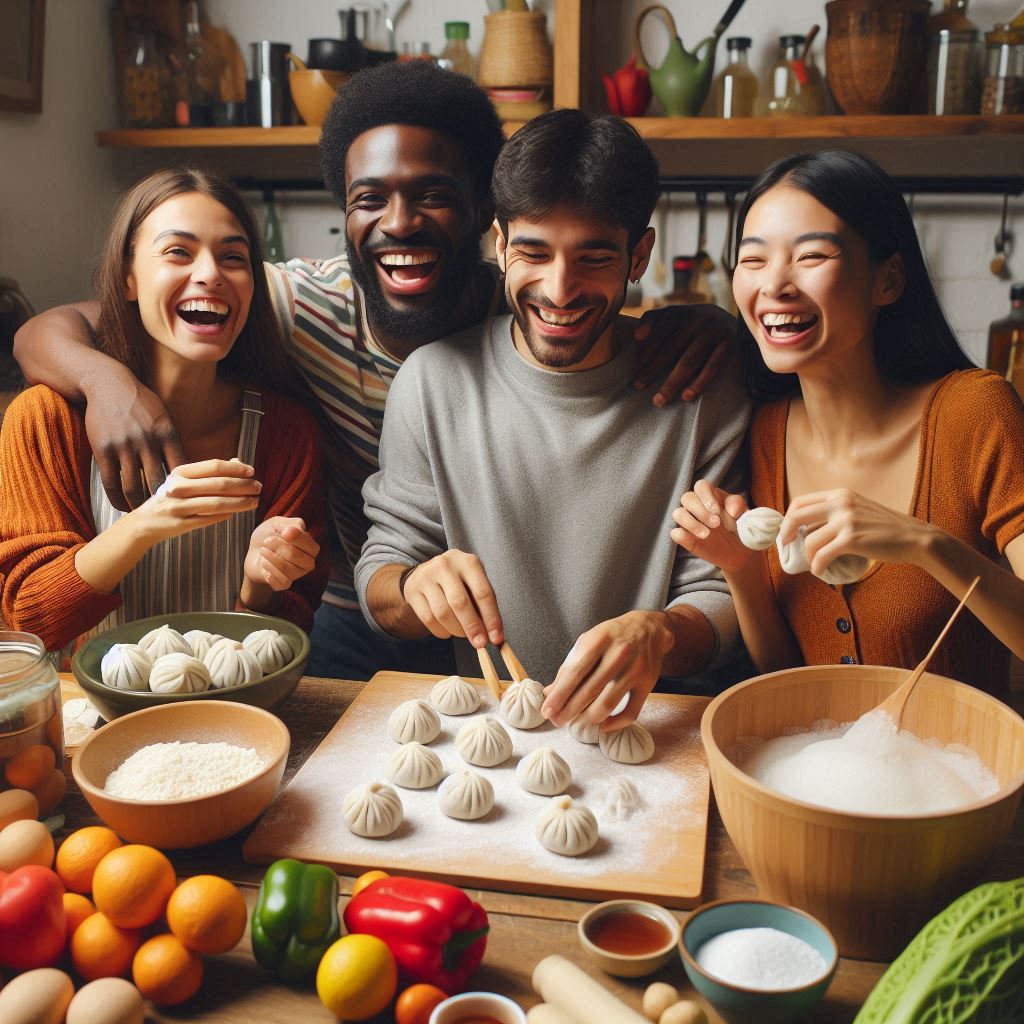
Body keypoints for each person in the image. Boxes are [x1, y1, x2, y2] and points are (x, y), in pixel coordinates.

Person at [14, 62, 734, 680]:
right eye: (370, 199)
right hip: (356, 610)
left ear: (485, 214)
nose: (400, 223)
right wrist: (105, 380)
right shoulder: (279, 300)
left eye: (432, 195)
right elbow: (67, 323)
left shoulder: (537, 313)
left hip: (477, 626)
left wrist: (713, 324)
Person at [356, 109, 750, 731]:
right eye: (534, 252)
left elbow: (721, 597)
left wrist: (662, 633)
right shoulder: (432, 382)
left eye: (593, 258)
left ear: (639, 254)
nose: (560, 290)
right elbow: (382, 572)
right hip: (491, 732)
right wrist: (412, 589)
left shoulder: (703, 389)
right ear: (500, 243)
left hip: (650, 728)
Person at [672, 150, 1024, 691]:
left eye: (811, 256)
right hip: (820, 770)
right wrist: (740, 570)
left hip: (966, 769)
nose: (775, 285)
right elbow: (786, 680)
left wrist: (927, 546)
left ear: (888, 280)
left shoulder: (975, 413)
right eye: (753, 259)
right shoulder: (765, 429)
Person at [0, 168, 327, 651]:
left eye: (233, 257)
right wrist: (148, 523)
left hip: (236, 714)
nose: (211, 273)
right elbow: (30, 620)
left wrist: (261, 587)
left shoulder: (287, 433)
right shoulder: (45, 419)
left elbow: (290, 631)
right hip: (82, 719)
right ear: (128, 278)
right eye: (178, 251)